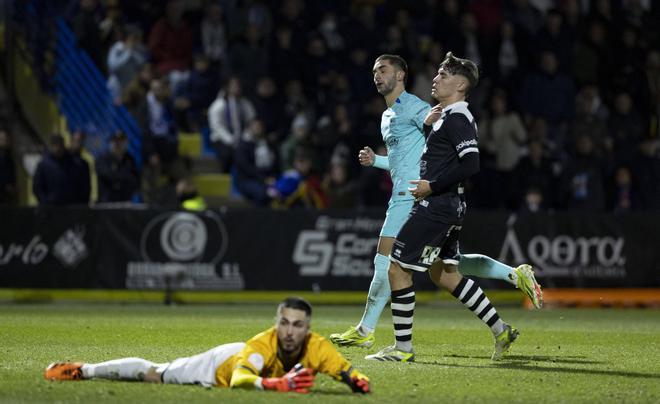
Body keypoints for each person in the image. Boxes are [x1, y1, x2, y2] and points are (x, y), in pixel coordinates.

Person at [329, 54, 542, 350]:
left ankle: (368, 331)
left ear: (401, 74)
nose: (377, 75)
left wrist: (437, 119)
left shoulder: (416, 106)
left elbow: (445, 131)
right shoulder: (387, 115)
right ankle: (511, 285)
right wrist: (376, 160)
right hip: (420, 194)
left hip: (415, 195)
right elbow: (402, 160)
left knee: (388, 260)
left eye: (383, 70)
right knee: (446, 269)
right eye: (374, 71)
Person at [365, 52, 517, 363]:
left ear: (461, 85)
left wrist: (431, 186)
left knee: (397, 267)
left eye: (444, 76)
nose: (435, 79)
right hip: (448, 205)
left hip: (437, 205)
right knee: (447, 275)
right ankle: (501, 329)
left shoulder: (458, 117)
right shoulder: (446, 117)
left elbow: (472, 163)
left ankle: (402, 349)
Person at [44, 297, 370, 394]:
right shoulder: (263, 344)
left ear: (307, 329)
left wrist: (358, 381)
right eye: (283, 322)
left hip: (241, 363)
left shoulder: (317, 347)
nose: (289, 331)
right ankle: (83, 370)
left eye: (297, 325)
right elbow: (241, 379)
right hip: (219, 365)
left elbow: (347, 372)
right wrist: (277, 384)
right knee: (156, 374)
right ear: (276, 322)